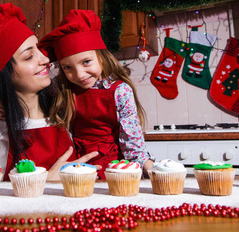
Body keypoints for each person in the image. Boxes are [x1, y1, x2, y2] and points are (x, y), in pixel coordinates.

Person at [0, 3, 99, 181]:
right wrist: (45, 181)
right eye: (29, 56)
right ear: (4, 74)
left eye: (39, 50)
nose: (45, 59)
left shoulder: (60, 109)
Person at [38, 10, 154, 179]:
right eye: (67, 67)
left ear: (101, 56)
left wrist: (148, 167)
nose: (79, 75)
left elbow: (132, 142)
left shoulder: (120, 91)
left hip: (114, 168)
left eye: (86, 62)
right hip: (75, 168)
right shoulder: (63, 89)